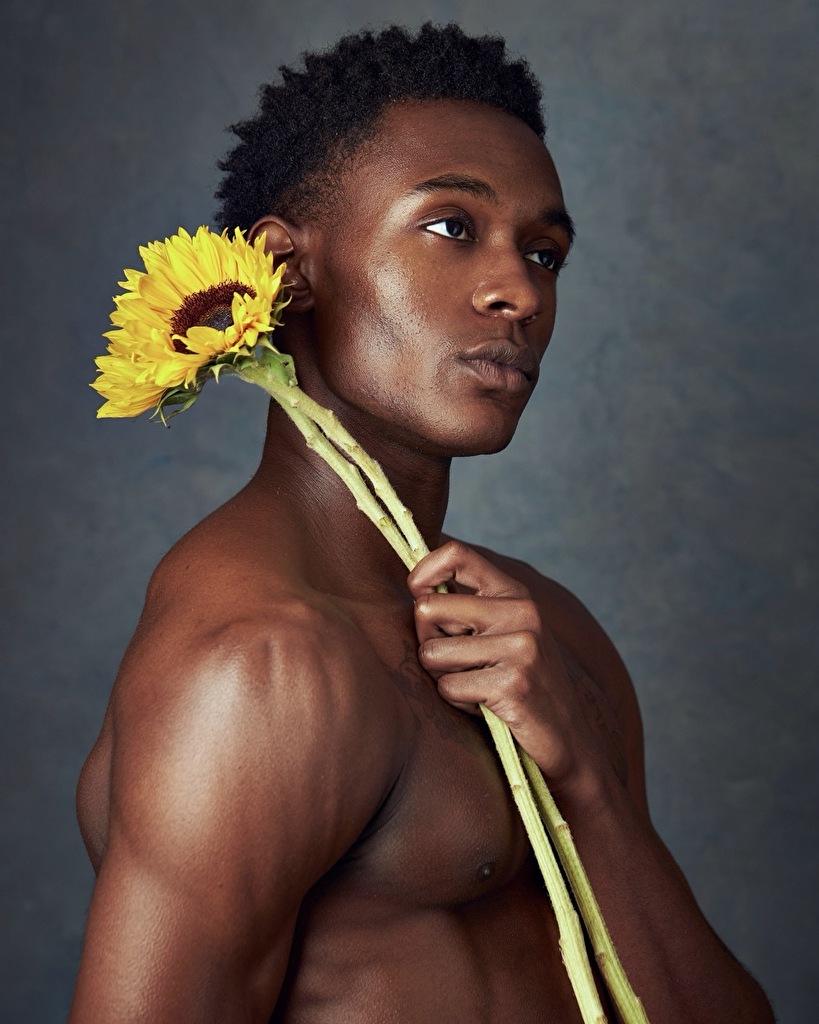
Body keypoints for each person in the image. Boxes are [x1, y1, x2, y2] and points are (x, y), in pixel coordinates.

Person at [69, 24, 775, 1024]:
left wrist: (586, 782)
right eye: (451, 226)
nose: (519, 291)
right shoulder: (257, 667)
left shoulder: (549, 636)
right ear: (284, 270)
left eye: (544, 253)